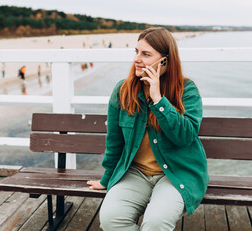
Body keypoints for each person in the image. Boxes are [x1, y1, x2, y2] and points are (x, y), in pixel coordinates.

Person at [87, 27, 209, 231]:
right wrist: (107, 178)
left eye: (146, 54)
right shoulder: (123, 91)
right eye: (136, 52)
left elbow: (186, 136)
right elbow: (114, 141)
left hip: (176, 174)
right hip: (135, 173)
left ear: (165, 61)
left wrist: (158, 98)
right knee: (110, 220)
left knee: (155, 223)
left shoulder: (186, 90)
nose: (137, 59)